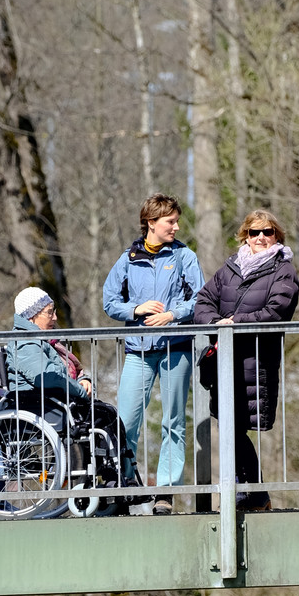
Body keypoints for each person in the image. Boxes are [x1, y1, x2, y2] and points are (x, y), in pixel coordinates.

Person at [102, 194, 205, 515]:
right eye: (169, 221)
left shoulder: (184, 256)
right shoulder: (128, 259)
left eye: (176, 221)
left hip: (176, 350)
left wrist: (172, 315)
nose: (176, 226)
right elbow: (109, 302)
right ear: (151, 223)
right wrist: (136, 308)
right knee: (127, 421)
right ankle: (124, 486)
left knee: (173, 422)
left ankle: (166, 492)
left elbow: (200, 299)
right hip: (138, 349)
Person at [193, 210, 299, 512]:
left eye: (267, 232)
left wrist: (234, 322)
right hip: (224, 362)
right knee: (229, 427)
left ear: (277, 235)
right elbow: (203, 301)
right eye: (254, 233)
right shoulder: (231, 268)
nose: (261, 238)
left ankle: (250, 493)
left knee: (236, 428)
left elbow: (276, 310)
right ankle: (252, 493)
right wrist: (217, 323)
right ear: (245, 237)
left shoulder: (284, 271)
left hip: (256, 361)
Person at [6, 287, 144, 492]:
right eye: (49, 312)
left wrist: (84, 379)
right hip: (40, 406)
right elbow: (48, 377)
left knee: (107, 415)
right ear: (32, 315)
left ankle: (117, 477)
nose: (55, 317)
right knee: (104, 416)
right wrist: (79, 390)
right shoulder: (25, 343)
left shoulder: (43, 341)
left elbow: (64, 371)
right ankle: (113, 478)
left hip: (52, 402)